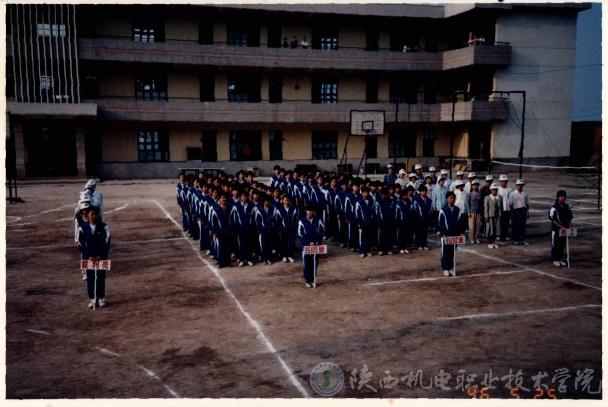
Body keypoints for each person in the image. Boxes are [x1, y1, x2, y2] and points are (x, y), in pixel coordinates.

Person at [78, 206, 110, 309]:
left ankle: (101, 298)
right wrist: (89, 255)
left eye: (96, 214)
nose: (94, 216)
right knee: (90, 277)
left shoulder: (104, 227)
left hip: (101, 257)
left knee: (100, 277)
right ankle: (93, 299)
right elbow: (81, 243)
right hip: (89, 258)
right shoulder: (82, 228)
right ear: (87, 215)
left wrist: (101, 255)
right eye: (92, 214)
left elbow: (106, 242)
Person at [298, 206, 325, 288]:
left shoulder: (318, 220)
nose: (310, 212)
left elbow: (322, 231)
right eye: (309, 210)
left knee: (314, 263)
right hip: (306, 247)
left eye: (312, 210)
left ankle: (313, 280)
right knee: (307, 263)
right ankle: (308, 280)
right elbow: (300, 234)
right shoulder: (302, 221)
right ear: (306, 211)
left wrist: (317, 241)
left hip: (316, 246)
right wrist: (308, 242)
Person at [230, 191, 255, 267]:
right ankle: (241, 260)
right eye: (243, 196)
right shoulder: (236, 206)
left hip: (249, 229)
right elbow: (233, 219)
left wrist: (252, 227)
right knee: (241, 245)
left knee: (249, 244)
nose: (244, 198)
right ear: (240, 197)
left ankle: (249, 259)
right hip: (240, 230)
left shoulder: (251, 206)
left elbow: (253, 218)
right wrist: (234, 228)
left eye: (245, 196)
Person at [549, 190, 573, 267]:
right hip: (556, 230)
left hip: (565, 229)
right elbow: (553, 219)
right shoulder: (554, 208)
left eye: (564, 196)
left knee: (562, 244)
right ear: (557, 197)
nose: (563, 198)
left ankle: (560, 259)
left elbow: (570, 217)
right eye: (561, 196)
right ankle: (555, 259)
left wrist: (570, 226)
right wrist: (561, 227)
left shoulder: (567, 206)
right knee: (556, 244)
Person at [438, 191, 460, 277]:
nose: (452, 199)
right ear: (447, 199)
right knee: (445, 252)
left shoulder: (458, 209)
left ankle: (451, 267)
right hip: (446, 235)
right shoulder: (443, 210)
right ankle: (445, 268)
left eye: (454, 198)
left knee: (452, 252)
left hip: (455, 234)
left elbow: (460, 222)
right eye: (451, 198)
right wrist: (443, 234)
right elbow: (440, 223)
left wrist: (460, 232)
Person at [254, 194, 277, 265]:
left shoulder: (273, 209)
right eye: (266, 201)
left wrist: (271, 225)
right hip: (263, 231)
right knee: (263, 245)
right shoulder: (259, 210)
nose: (267, 202)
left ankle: (269, 258)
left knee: (270, 245)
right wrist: (259, 229)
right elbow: (257, 221)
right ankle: (264, 259)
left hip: (270, 230)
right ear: (263, 202)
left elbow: (274, 218)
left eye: (268, 201)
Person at [275, 194, 299, 263]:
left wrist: (294, 228)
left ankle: (290, 256)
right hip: (283, 230)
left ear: (290, 201)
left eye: (288, 200)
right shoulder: (279, 210)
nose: (286, 202)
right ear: (282, 201)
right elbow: (278, 221)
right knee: (284, 243)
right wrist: (280, 229)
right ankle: (284, 256)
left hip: (291, 230)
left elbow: (296, 220)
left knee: (291, 243)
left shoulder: (293, 209)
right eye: (285, 200)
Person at [508, 179, 530, 245]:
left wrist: (527, 212)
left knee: (522, 226)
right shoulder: (512, 194)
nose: (520, 186)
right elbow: (510, 204)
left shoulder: (525, 194)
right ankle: (515, 239)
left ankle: (522, 239)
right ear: (516, 185)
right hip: (516, 211)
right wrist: (512, 213)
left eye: (521, 185)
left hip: (523, 210)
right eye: (519, 185)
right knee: (515, 226)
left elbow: (527, 204)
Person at [355, 186, 375, 258]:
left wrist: (372, 218)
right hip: (362, 223)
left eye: (367, 192)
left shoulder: (371, 201)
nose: (366, 194)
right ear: (362, 193)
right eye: (364, 192)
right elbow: (357, 214)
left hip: (369, 222)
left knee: (368, 237)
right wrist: (359, 223)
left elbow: (372, 211)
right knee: (362, 237)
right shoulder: (359, 202)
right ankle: (362, 251)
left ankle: (368, 250)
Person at [375, 188, 395, 255]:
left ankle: (389, 249)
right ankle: (381, 249)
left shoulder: (390, 201)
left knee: (389, 235)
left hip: (389, 221)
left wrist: (391, 220)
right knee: (381, 236)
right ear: (380, 194)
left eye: (385, 194)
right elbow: (376, 212)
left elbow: (392, 211)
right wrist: (379, 221)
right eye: (383, 194)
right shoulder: (378, 201)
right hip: (381, 222)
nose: (384, 196)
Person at [412, 184, 432, 250]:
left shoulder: (429, 200)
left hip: (426, 219)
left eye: (425, 191)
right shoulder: (416, 200)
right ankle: (419, 245)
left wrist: (428, 218)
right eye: (423, 191)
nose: (424, 192)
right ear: (420, 192)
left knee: (425, 232)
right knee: (419, 232)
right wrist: (416, 219)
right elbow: (415, 210)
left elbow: (430, 210)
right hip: (418, 219)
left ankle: (424, 244)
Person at [395, 186, 414, 253]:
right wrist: (398, 221)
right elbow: (397, 214)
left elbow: (411, 211)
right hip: (401, 222)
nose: (406, 196)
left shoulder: (409, 202)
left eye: (406, 195)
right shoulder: (398, 203)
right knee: (401, 235)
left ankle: (405, 247)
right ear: (402, 196)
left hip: (408, 221)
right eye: (404, 195)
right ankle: (400, 248)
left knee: (406, 235)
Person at [484, 183, 502, 249]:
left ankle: (494, 242)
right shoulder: (487, 198)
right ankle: (490, 243)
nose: (494, 191)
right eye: (493, 190)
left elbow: (500, 207)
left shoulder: (499, 197)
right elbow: (486, 208)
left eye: (496, 190)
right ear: (491, 190)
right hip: (490, 216)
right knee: (490, 230)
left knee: (496, 230)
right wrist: (486, 216)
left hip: (497, 216)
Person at [497, 174, 512, 241]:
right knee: (500, 223)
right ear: (500, 181)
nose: (504, 182)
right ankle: (499, 235)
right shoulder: (497, 189)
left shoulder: (509, 189)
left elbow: (510, 199)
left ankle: (505, 235)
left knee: (506, 223)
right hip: (500, 209)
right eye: (502, 181)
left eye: (505, 181)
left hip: (507, 208)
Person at [467, 179, 482, 244]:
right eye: (473, 185)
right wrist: (468, 211)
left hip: (478, 212)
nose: (475, 186)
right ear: (471, 186)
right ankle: (471, 238)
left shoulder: (480, 194)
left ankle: (477, 238)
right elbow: (468, 203)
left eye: (476, 185)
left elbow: (481, 203)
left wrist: (481, 212)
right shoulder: (470, 194)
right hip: (471, 212)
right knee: (472, 226)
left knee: (477, 226)